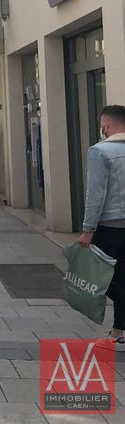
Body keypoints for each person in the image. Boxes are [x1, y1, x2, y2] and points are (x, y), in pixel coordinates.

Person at [77, 105, 125, 349]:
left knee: (98, 276)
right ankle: (119, 329)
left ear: (105, 125)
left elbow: (96, 193)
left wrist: (88, 229)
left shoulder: (100, 151)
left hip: (109, 225)